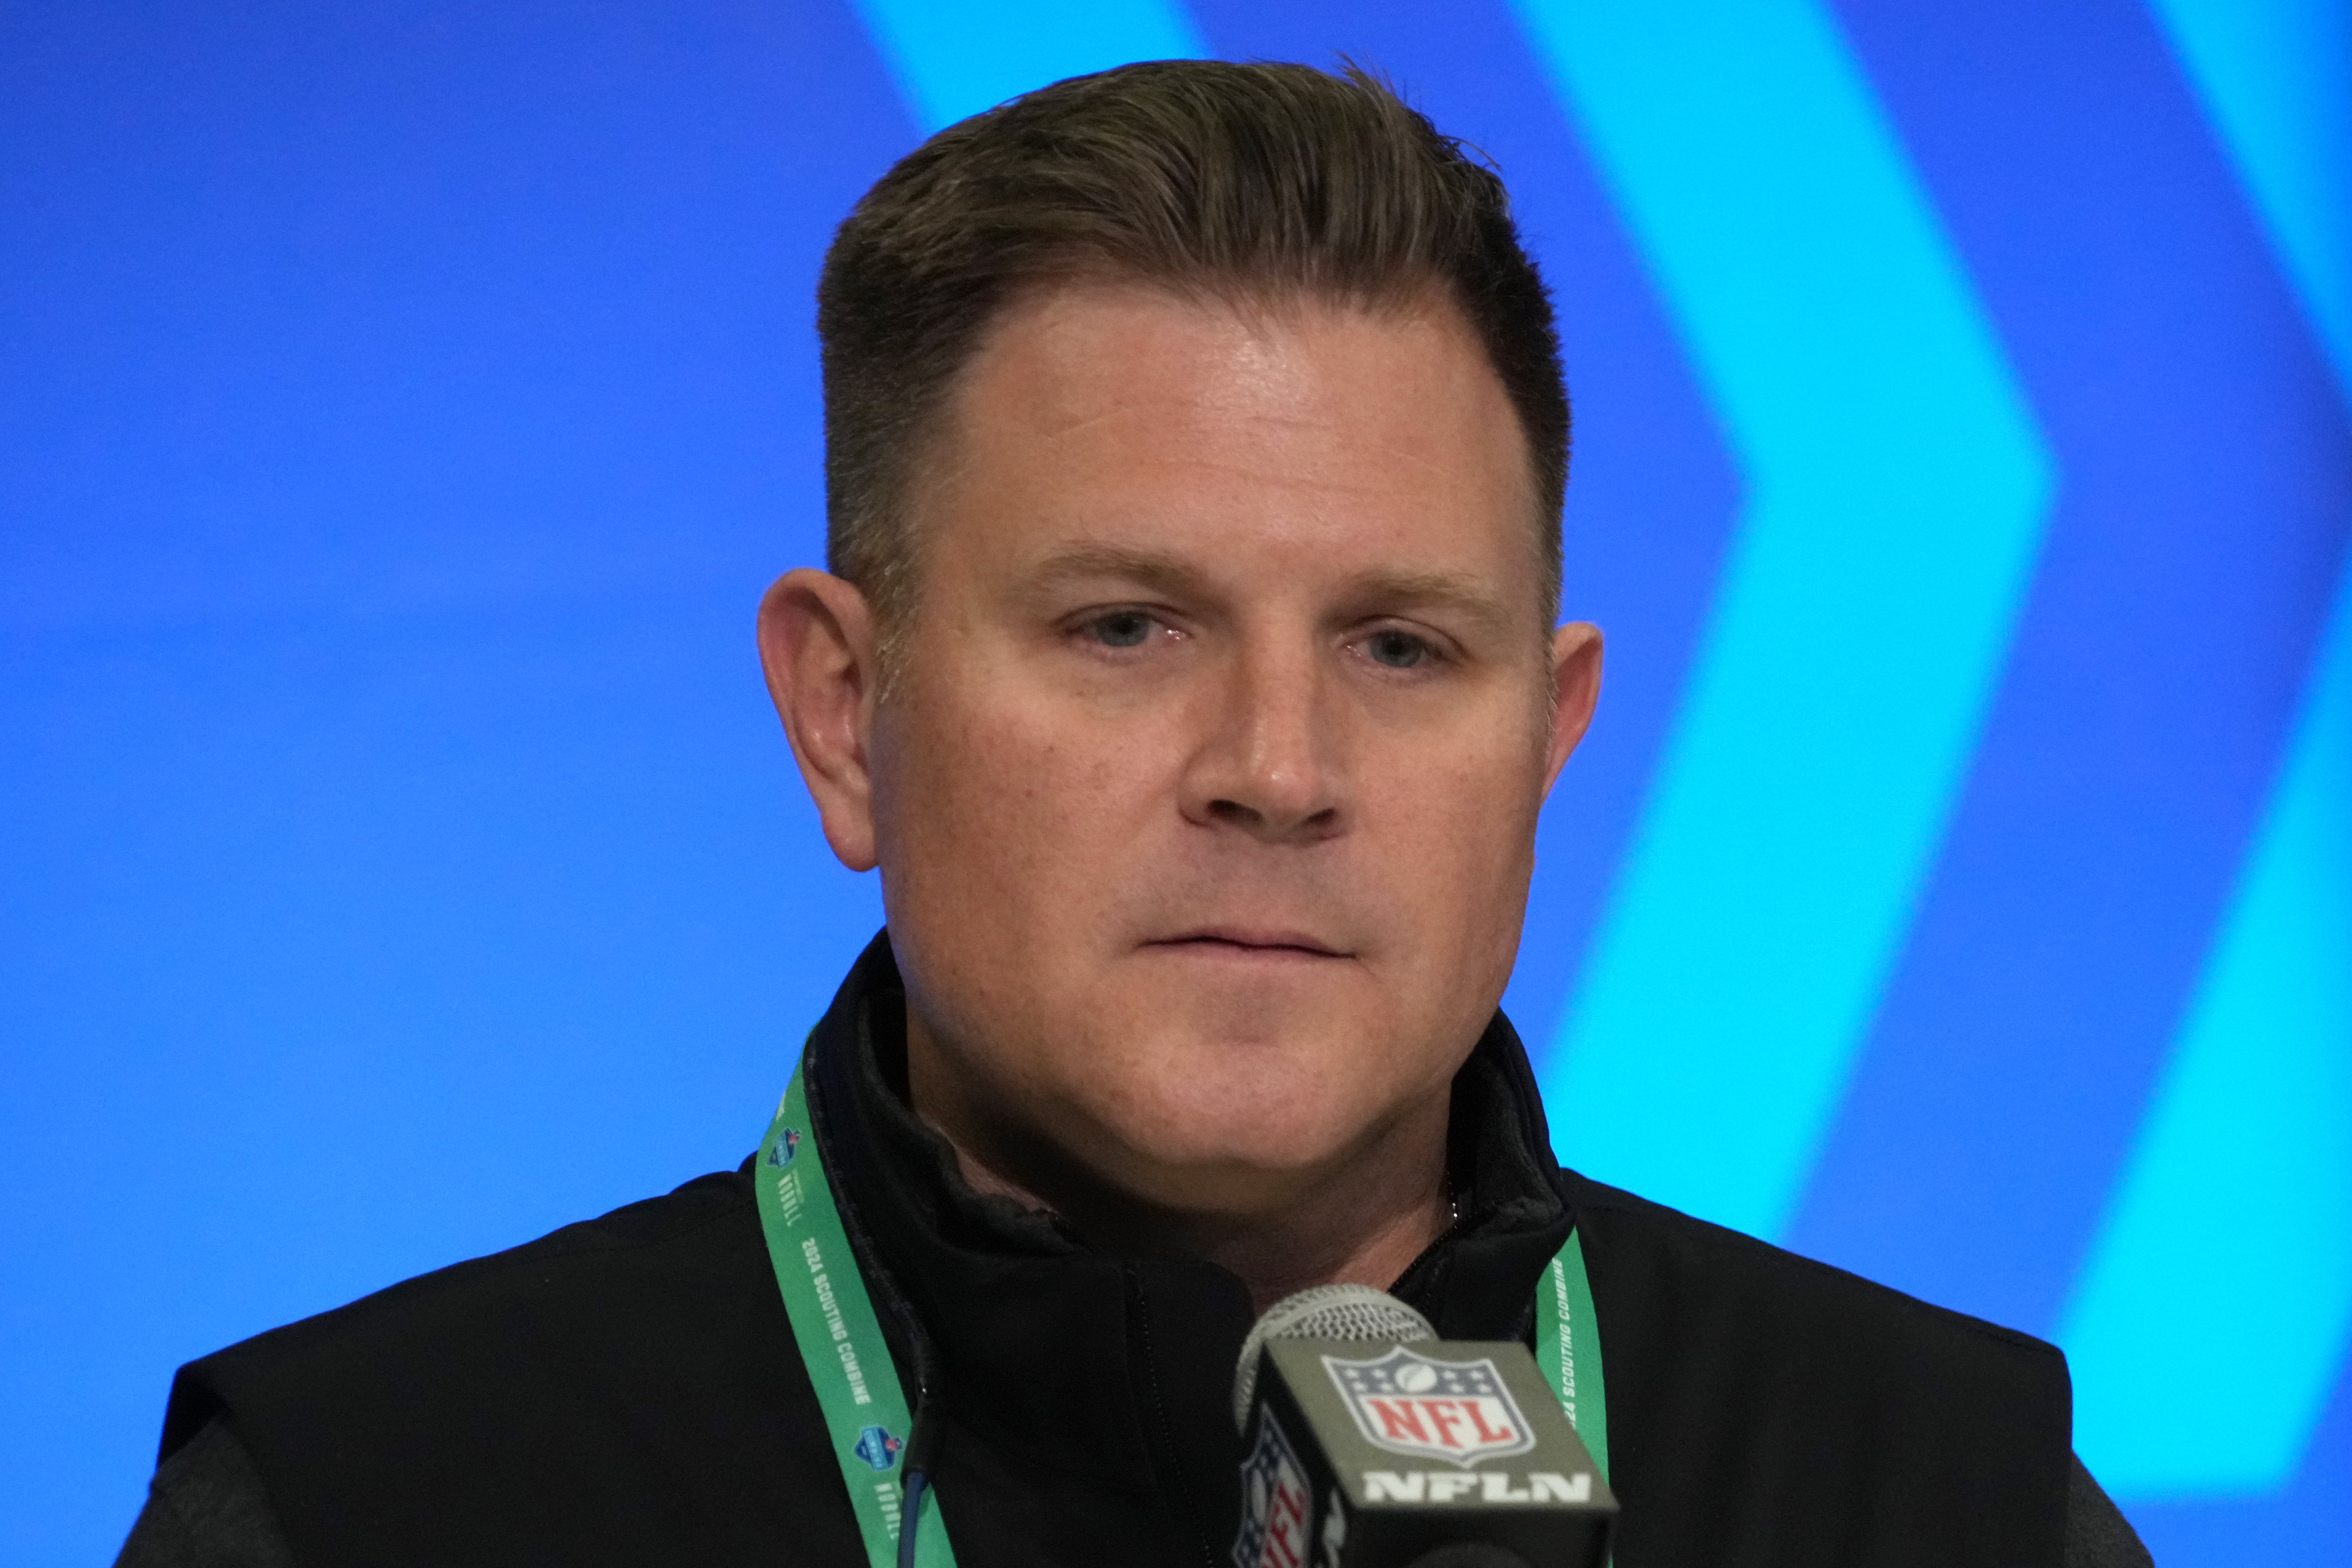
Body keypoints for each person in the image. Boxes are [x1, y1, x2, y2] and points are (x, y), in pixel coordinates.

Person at [116, 61, 2152, 1568]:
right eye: (1124, 625)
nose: (1275, 766)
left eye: (1400, 648)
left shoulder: (1947, 1499)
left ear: (1549, 738)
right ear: (844, 713)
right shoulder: (372, 1506)